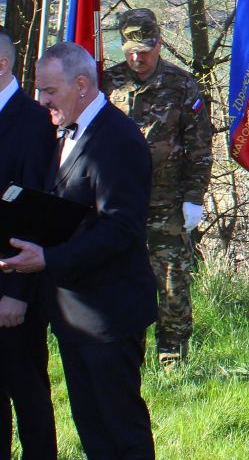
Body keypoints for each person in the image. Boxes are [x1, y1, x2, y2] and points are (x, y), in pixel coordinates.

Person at [1, 42, 157, 459]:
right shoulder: (66, 131)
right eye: (40, 90)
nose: (42, 100)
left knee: (121, 431)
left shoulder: (117, 139)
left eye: (50, 90)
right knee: (92, 430)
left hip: (110, 312)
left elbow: (121, 228)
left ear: (82, 85)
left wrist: (47, 259)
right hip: (73, 313)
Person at [102, 8, 213, 366]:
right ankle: (125, 351)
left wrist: (194, 198)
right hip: (119, 204)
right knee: (121, 279)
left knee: (171, 284)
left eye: (145, 50)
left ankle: (172, 356)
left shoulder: (181, 84)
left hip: (167, 203)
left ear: (159, 43)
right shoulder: (108, 83)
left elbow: (199, 147)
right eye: (131, 51)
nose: (138, 58)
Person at [0, 29, 58, 459]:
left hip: (14, 286)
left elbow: (34, 212)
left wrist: (16, 293)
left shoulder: (34, 122)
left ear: (2, 64)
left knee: (27, 391)